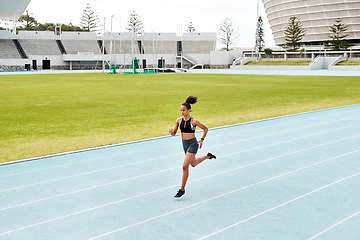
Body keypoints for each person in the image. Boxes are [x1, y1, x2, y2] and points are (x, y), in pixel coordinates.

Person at [168, 96, 216, 198]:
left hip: (193, 144)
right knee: (193, 164)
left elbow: (205, 129)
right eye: (181, 110)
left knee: (185, 166)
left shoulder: (194, 121)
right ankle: (208, 156)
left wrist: (202, 140)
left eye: (184, 110)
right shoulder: (178, 120)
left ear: (189, 110)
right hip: (184, 144)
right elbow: (174, 133)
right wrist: (172, 132)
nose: (182, 112)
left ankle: (182, 189)